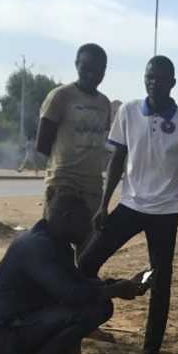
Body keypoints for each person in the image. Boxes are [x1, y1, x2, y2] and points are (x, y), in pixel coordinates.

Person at [79, 56, 178, 354]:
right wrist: (104, 204)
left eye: (161, 79)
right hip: (130, 206)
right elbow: (118, 159)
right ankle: (84, 323)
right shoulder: (129, 112)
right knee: (86, 262)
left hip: (164, 213)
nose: (154, 83)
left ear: (172, 83)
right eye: (149, 77)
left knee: (161, 286)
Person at [0, 191, 147, 354]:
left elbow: (78, 282)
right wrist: (115, 290)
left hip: (20, 325)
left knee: (99, 304)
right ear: (67, 218)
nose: (89, 229)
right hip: (7, 338)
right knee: (93, 309)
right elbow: (72, 294)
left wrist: (117, 284)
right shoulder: (38, 246)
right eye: (85, 222)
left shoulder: (54, 242)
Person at [35, 43, 111, 246]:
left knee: (87, 249)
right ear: (77, 65)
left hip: (92, 187)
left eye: (98, 69)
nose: (92, 74)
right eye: (86, 68)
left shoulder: (105, 104)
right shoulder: (60, 96)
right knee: (55, 246)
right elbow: (42, 142)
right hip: (63, 183)